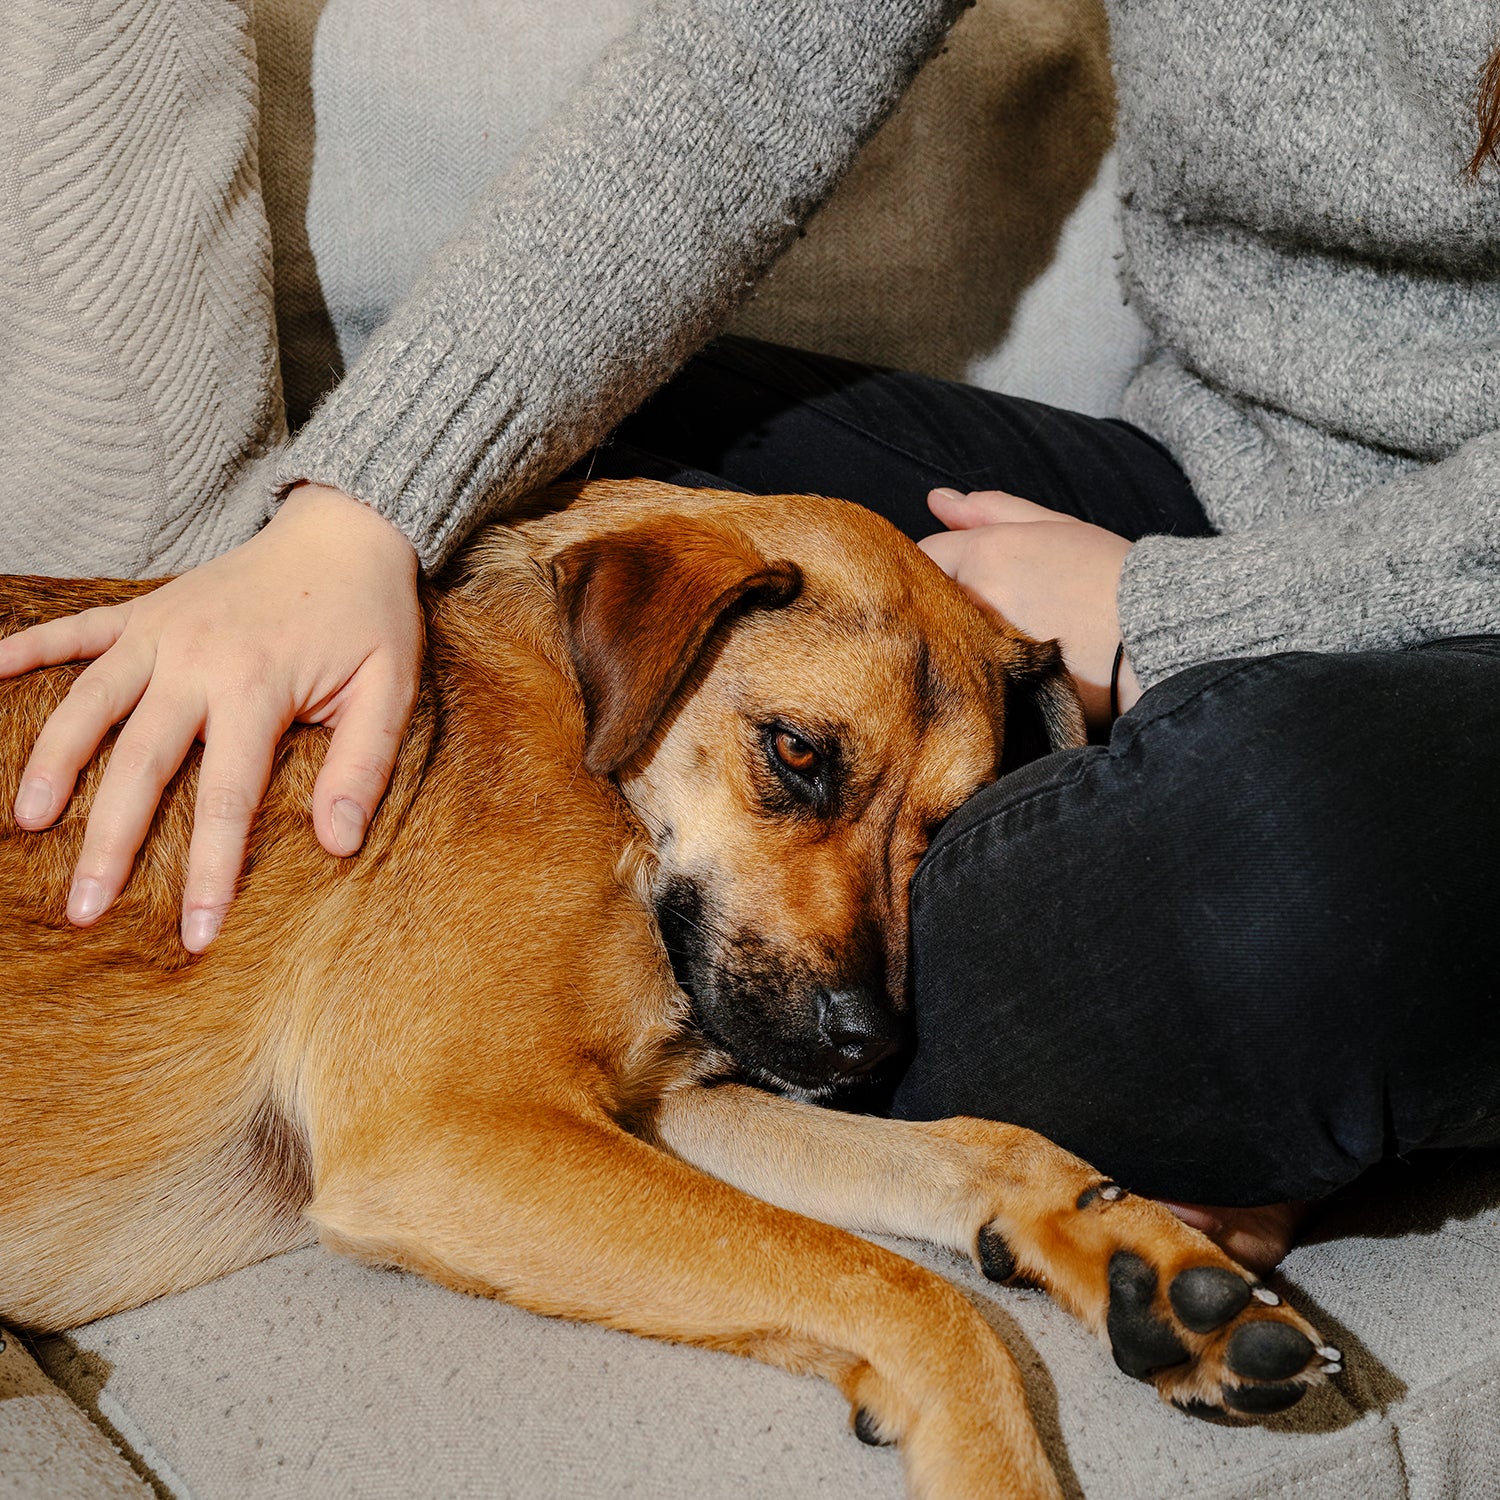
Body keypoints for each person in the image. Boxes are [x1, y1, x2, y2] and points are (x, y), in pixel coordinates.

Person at [3, 0, 1498, 1264]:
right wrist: (355, 518)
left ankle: (1204, 1026)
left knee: (1294, 856)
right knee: (606, 476)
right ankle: (551, 1044)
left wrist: (1172, 608)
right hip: (1203, 470)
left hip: (1443, 607)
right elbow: (760, 63)